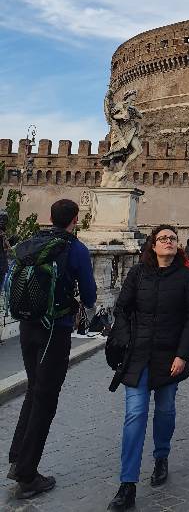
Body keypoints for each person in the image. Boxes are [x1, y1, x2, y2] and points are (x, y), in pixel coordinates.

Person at [107, 224, 189, 510]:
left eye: (173, 238)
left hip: (169, 356)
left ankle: (161, 455)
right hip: (137, 356)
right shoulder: (137, 274)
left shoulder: (186, 277)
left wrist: (183, 355)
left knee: (165, 410)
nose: (169, 242)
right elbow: (121, 309)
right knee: (135, 414)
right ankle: (127, 484)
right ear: (153, 245)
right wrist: (123, 339)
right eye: (163, 238)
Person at [8, 199, 97, 500]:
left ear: (49, 217)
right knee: (46, 398)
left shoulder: (30, 242)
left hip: (26, 326)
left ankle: (17, 459)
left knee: (34, 389)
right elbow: (89, 293)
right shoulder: (75, 249)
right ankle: (27, 475)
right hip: (54, 331)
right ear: (75, 219)